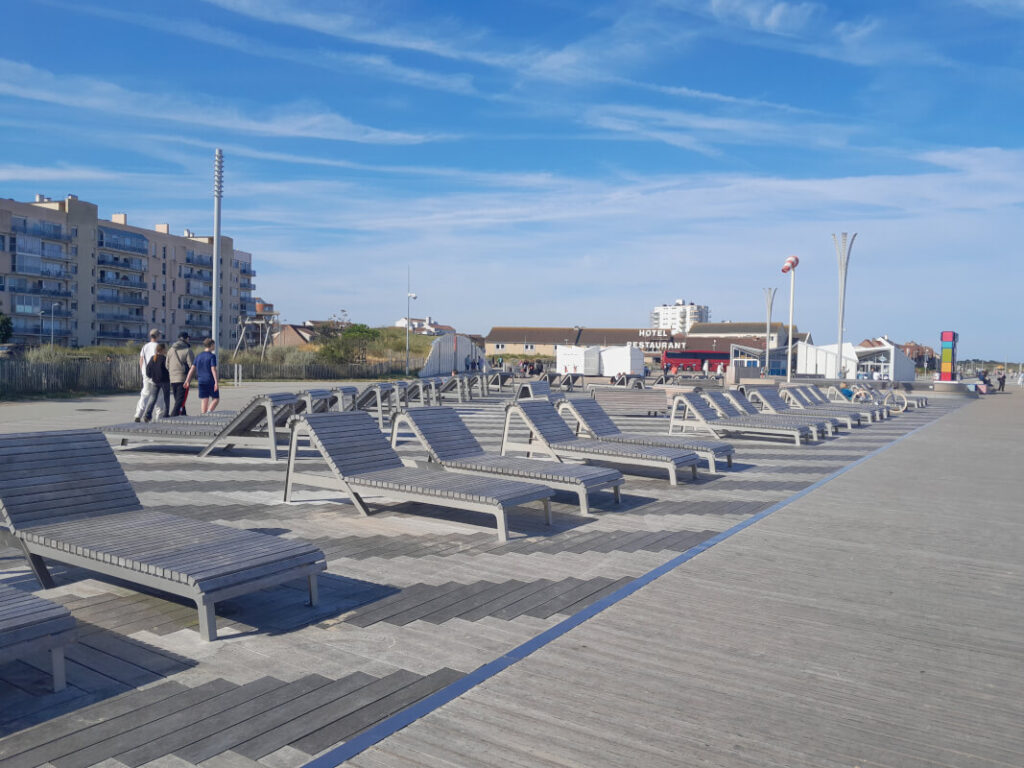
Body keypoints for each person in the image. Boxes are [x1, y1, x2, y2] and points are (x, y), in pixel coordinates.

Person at [133, 328, 161, 422]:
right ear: (157, 336)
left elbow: (141, 359)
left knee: (145, 394)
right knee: (158, 395)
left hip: (146, 373)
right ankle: (159, 415)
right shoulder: (158, 346)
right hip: (156, 374)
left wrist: (142, 371)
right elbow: (159, 360)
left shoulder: (145, 346)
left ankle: (138, 414)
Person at [188, 337, 220, 414]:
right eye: (214, 345)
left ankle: (203, 415)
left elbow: (192, 369)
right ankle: (209, 412)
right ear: (211, 345)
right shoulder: (212, 356)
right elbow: (213, 369)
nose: (214, 347)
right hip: (210, 380)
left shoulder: (198, 356)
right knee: (216, 399)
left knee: (204, 400)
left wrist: (187, 380)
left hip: (201, 381)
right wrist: (216, 382)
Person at [167, 331, 195, 416]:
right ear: (186, 339)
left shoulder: (170, 350)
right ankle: (173, 416)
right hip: (183, 378)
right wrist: (190, 378)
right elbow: (192, 366)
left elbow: (166, 364)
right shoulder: (187, 350)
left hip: (172, 378)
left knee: (178, 399)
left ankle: (183, 415)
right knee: (180, 400)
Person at [143, 343, 171, 420]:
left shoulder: (153, 358)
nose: (166, 350)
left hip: (155, 381)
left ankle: (147, 415)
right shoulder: (164, 359)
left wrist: (151, 376)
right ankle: (166, 414)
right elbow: (168, 369)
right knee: (166, 398)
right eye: (165, 349)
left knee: (153, 398)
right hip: (165, 381)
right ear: (162, 350)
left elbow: (148, 369)